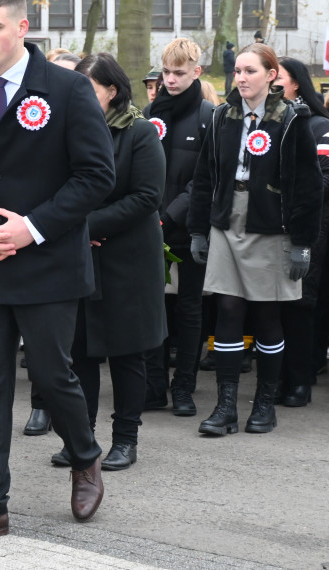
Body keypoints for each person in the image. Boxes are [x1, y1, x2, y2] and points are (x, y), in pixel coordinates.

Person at [0, 0, 114, 543]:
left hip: (47, 263)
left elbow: (95, 176)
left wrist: (29, 228)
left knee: (53, 374)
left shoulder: (66, 89)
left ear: (21, 26)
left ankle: (85, 456)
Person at [188, 44, 321, 436]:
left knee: (266, 314)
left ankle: (264, 403)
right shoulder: (221, 117)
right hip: (227, 221)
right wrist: (199, 228)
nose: (241, 78)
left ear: (271, 74)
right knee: (228, 310)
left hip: (270, 225)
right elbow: (205, 177)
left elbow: (308, 187)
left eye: (249, 71)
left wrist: (302, 242)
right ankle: (225, 406)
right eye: (237, 72)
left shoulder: (292, 119)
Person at [46, 53, 166, 471]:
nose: (80, 94)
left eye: (89, 87)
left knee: (126, 353)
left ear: (112, 91)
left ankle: (125, 439)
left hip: (126, 259)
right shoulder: (70, 130)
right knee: (80, 352)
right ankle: (84, 439)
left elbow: (147, 197)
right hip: (80, 255)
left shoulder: (139, 131)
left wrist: (85, 224)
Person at [141, 38, 215, 416]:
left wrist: (168, 215)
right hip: (148, 226)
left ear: (196, 72)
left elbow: (203, 179)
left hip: (188, 227)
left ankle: (183, 386)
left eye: (179, 73)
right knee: (152, 307)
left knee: (189, 309)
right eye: (166, 72)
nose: (170, 79)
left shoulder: (208, 116)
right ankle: (154, 385)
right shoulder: (149, 112)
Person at [274, 57, 329, 407]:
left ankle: (300, 378)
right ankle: (281, 376)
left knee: (303, 303)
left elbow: (324, 179)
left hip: (313, 227)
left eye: (278, 78)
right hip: (273, 226)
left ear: (296, 84)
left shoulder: (320, 125)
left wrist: (283, 199)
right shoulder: (270, 121)